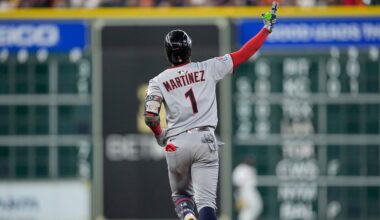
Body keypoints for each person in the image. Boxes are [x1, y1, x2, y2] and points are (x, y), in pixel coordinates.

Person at [143, 2, 278, 220]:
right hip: (206, 139)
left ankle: (187, 214)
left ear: (168, 53)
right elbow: (244, 54)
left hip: (176, 142)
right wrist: (266, 30)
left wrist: (160, 135)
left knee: (181, 194)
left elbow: (150, 116)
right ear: (189, 49)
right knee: (206, 203)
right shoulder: (207, 68)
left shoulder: (158, 81)